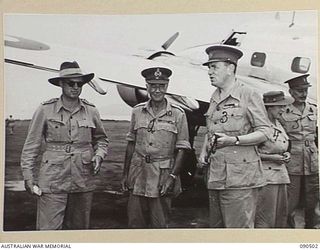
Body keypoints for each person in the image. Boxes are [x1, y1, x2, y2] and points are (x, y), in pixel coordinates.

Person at [20, 61, 109, 230]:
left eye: (80, 84)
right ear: (61, 83)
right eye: (71, 83)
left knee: (79, 231)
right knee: (48, 231)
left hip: (83, 178)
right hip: (54, 179)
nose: (76, 87)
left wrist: (99, 155)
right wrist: (28, 177)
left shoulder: (91, 110)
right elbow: (31, 145)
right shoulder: (45, 109)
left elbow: (102, 140)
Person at [199, 45, 270, 228]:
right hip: (216, 175)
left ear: (230, 68)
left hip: (241, 179)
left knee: (238, 232)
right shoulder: (215, 97)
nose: (209, 72)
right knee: (218, 231)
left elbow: (264, 132)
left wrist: (235, 140)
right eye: (209, 67)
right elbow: (212, 129)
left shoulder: (248, 94)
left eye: (214, 67)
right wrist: (203, 151)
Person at [121, 67, 191, 228]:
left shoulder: (177, 114)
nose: (157, 90)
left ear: (167, 87)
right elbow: (131, 143)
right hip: (138, 174)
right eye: (153, 86)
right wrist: (125, 174)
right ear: (147, 87)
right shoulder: (137, 111)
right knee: (134, 223)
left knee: (159, 224)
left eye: (161, 86)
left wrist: (172, 177)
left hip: (162, 175)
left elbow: (182, 148)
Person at [278, 74, 319, 228]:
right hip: (292, 159)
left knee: (313, 198)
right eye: (299, 90)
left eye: (305, 90)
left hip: (312, 159)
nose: (303, 94)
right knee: (290, 200)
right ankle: (289, 232)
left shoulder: (313, 110)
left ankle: (313, 231)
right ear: (291, 92)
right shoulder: (284, 112)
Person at [255, 91, 293, 228]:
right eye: (280, 106)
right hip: (267, 177)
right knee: (265, 218)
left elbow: (283, 145)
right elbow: (250, 153)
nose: (283, 109)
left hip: (281, 176)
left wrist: (287, 154)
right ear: (269, 107)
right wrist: (272, 157)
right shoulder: (260, 126)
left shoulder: (279, 124)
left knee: (279, 216)